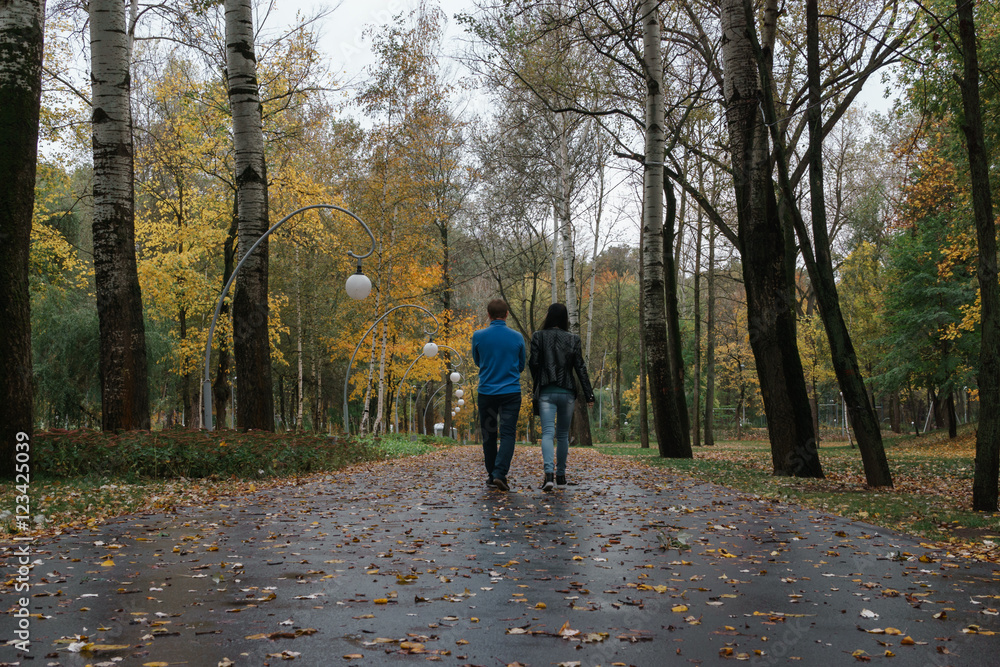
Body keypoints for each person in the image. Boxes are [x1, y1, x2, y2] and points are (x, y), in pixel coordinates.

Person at [529, 303, 595, 491]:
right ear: (565, 318)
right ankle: (561, 476)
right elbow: (580, 368)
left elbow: (533, 363)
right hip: (567, 391)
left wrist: (540, 379)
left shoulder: (538, 337)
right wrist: (589, 394)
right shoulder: (573, 339)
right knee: (563, 435)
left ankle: (548, 475)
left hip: (547, 391)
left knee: (548, 434)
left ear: (549, 316)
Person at [471, 299, 525, 491]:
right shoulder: (517, 337)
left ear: (488, 314)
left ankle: (491, 474)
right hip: (511, 392)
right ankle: (499, 473)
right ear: (507, 314)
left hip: (487, 392)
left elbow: (478, 361)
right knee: (508, 434)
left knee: (489, 434)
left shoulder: (478, 336)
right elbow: (521, 365)